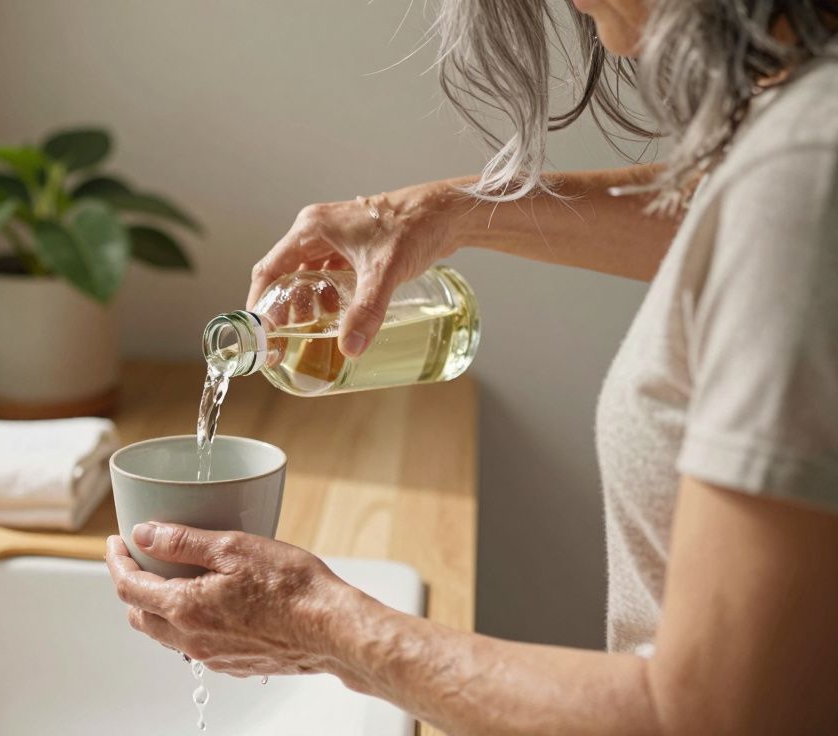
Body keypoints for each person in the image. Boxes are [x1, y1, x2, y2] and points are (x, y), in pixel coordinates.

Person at [107, 1, 838, 732]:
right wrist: (450, 210)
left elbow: (707, 719)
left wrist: (318, 626)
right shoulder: (804, 132)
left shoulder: (807, 171)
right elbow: (728, 212)